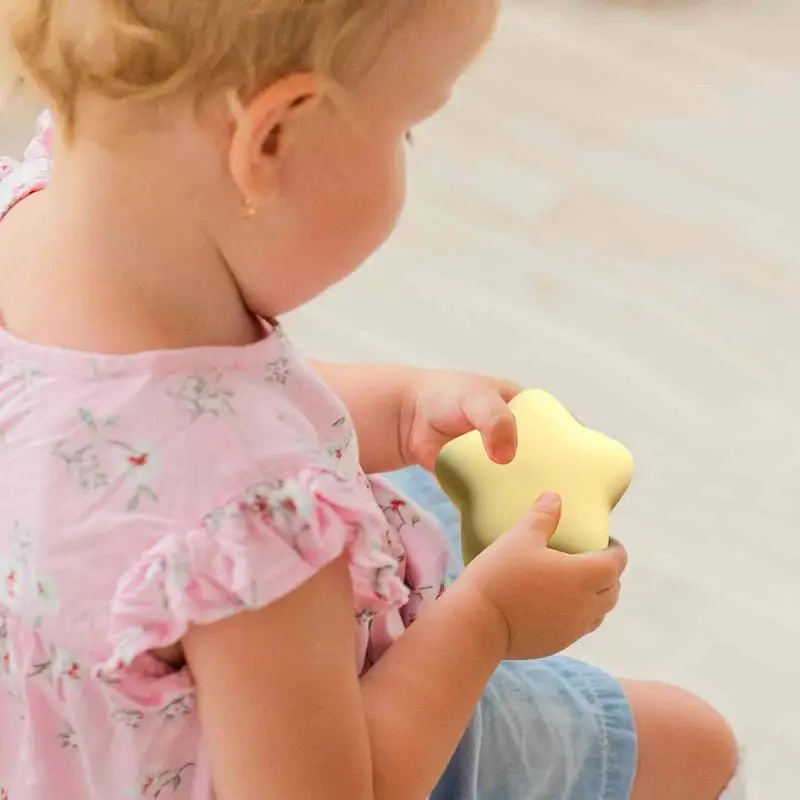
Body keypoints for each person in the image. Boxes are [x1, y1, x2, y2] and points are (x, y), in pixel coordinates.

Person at [0, 1, 743, 798]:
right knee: (696, 743)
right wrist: (488, 621)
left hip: (67, 735)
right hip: (362, 744)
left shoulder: (42, 214)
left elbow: (152, 425)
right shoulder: (251, 550)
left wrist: (398, 409)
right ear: (273, 137)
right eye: (407, 130)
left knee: (415, 491)